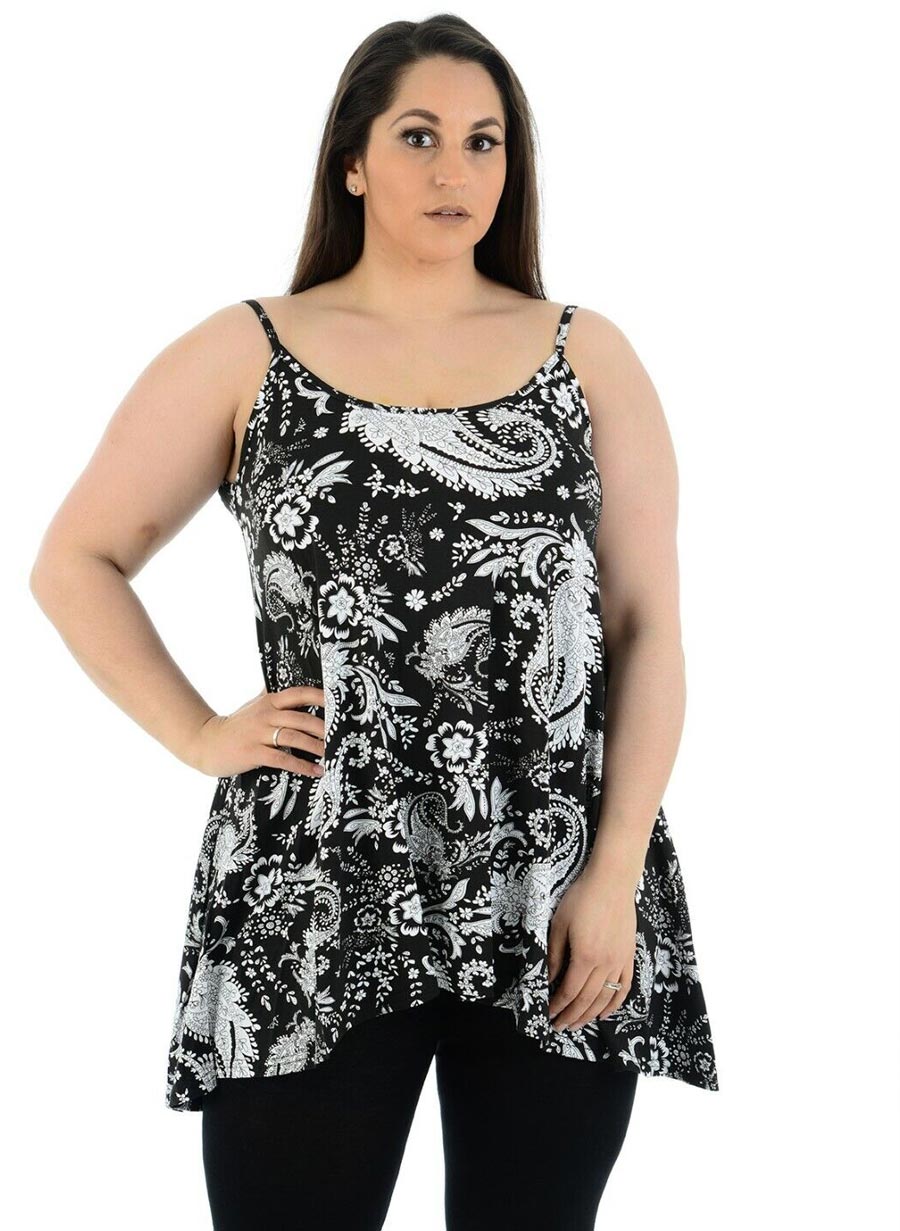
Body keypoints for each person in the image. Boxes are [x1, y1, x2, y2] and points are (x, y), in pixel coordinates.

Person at [29, 14, 718, 1231]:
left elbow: (647, 625)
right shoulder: (248, 350)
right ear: (352, 159)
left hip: (551, 876)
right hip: (313, 877)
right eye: (419, 136)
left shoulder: (587, 355)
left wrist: (613, 871)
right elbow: (74, 561)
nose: (456, 169)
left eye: (484, 141)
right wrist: (198, 733)